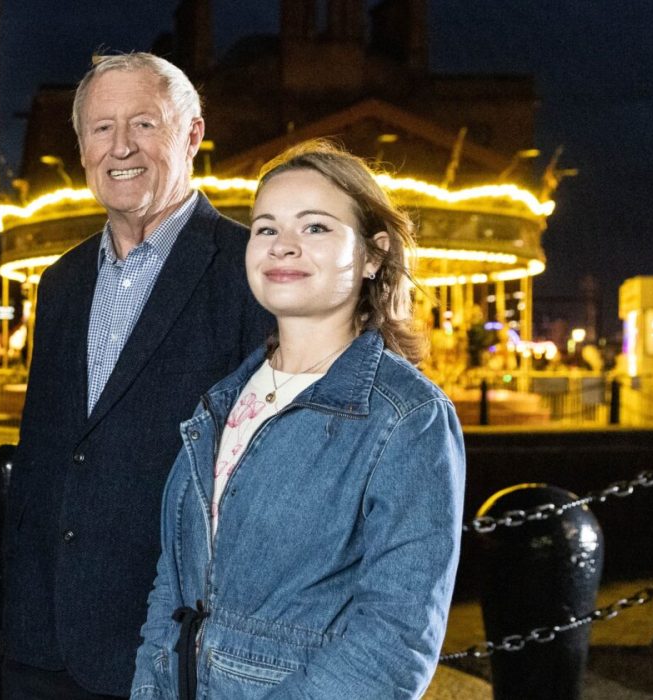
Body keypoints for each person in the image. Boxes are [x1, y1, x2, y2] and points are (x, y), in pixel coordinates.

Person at [130, 140, 465, 699]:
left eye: (315, 228)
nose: (283, 246)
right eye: (265, 228)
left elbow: (393, 644)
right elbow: (173, 588)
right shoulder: (221, 399)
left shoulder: (408, 418)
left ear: (374, 255)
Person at [2, 52, 272, 699]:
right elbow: (49, 455)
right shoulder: (60, 282)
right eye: (101, 128)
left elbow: (268, 475)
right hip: (41, 644)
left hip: (171, 645)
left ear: (192, 134)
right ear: (82, 146)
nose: (120, 147)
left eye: (144, 124)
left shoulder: (251, 270)